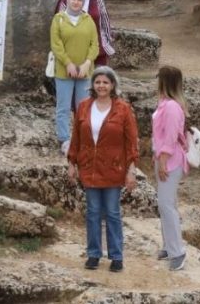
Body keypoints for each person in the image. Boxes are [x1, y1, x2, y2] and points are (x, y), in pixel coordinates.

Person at [67, 66, 138, 272]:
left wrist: (131, 169)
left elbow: (131, 141)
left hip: (113, 168)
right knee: (93, 213)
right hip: (89, 167)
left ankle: (116, 256)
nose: (101, 86)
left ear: (112, 85)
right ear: (93, 85)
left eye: (105, 82)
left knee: (113, 213)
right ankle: (93, 254)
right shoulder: (83, 107)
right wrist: (72, 163)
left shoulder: (123, 109)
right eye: (97, 82)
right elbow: (76, 137)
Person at [50, 0, 99, 155]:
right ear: (68, 0)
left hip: (85, 72)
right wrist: (68, 63)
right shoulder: (59, 19)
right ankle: (64, 139)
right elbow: (56, 45)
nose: (76, 2)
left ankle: (82, 139)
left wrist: (86, 63)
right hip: (64, 72)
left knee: (83, 108)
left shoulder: (88, 20)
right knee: (63, 107)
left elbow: (95, 45)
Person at [152, 65, 189, 272]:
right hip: (164, 158)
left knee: (166, 204)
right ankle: (168, 246)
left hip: (170, 160)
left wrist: (163, 160)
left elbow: (171, 136)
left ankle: (178, 252)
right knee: (166, 203)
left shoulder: (172, 107)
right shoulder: (165, 103)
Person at [54, 0, 115, 67]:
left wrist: (108, 40)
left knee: (98, 78)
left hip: (98, 48)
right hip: (74, 50)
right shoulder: (65, 1)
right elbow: (59, 28)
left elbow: (104, 20)